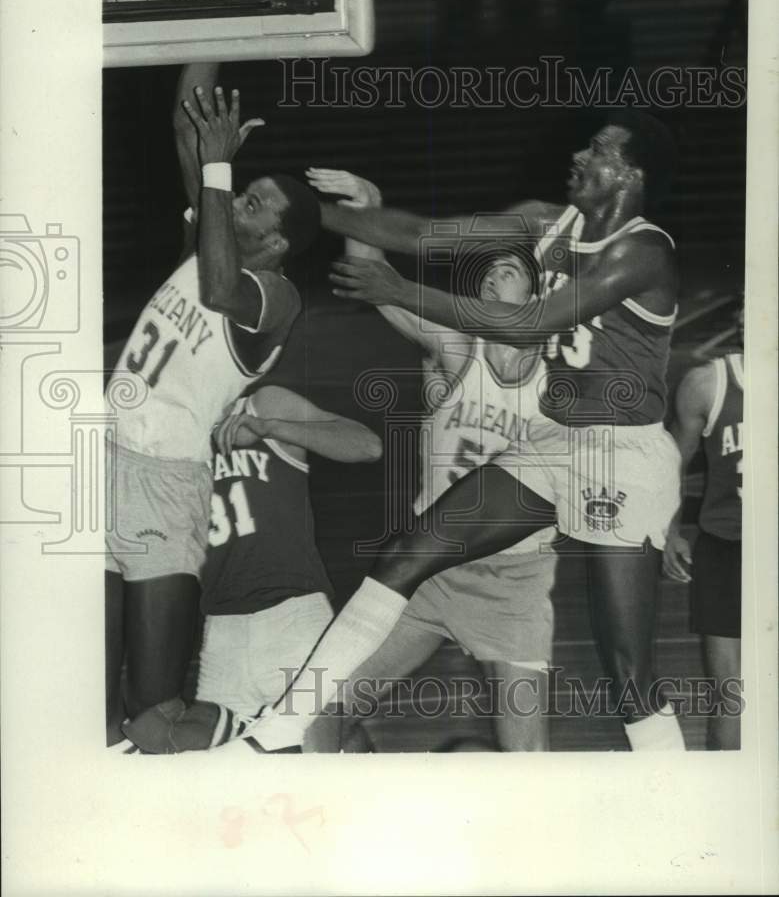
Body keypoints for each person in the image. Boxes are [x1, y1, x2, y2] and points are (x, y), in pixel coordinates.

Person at [131, 109, 687, 755]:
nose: (580, 155)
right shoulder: (545, 221)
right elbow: (421, 234)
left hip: (622, 458)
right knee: (406, 555)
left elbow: (531, 323)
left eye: (597, 149)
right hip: (555, 445)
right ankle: (280, 731)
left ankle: (671, 785)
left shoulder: (642, 251)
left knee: (628, 673)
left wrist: (400, 290)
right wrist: (301, 208)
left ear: (630, 174)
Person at [105, 0, 320, 749]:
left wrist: (222, 170)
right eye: (244, 194)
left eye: (256, 203)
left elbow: (223, 289)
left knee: (155, 714)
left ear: (280, 240)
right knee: (88, 704)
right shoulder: (212, 234)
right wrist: (215, 18)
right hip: (102, 454)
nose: (241, 201)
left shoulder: (275, 295)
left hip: (165, 481)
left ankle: (262, 740)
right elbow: (188, 121)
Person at [307, 169, 559, 752]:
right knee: (320, 712)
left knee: (528, 759)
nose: (494, 273)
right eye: (489, 268)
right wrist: (367, 205)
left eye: (511, 270)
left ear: (537, 297)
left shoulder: (559, 376)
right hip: (430, 569)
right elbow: (377, 281)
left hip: (513, 581)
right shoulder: (457, 347)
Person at [121, 384, 382, 753]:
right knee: (201, 764)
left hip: (293, 619)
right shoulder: (170, 442)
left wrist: (271, 429)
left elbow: (368, 446)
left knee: (328, 757)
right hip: (222, 636)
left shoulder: (263, 405)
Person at [662, 310, 744, 749]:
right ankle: (725, 786)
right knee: (730, 695)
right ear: (743, 318)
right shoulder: (708, 385)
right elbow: (672, 461)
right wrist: (670, 530)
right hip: (728, 546)